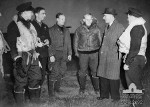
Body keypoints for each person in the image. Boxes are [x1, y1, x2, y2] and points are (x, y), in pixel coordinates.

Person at [7, 2, 43, 105]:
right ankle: (20, 104)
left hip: (33, 54)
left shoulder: (29, 24)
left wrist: (38, 44)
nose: (32, 15)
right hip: (21, 56)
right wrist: (17, 59)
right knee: (20, 81)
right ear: (24, 12)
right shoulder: (13, 25)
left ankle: (35, 103)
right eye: (31, 13)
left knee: (36, 78)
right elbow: (12, 44)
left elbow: (33, 39)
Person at [118, 7, 147, 107]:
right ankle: (136, 103)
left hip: (134, 59)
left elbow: (134, 48)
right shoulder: (140, 26)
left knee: (133, 84)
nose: (127, 19)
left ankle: (137, 104)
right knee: (137, 82)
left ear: (132, 16)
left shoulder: (136, 28)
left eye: (128, 16)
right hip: (138, 58)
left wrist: (127, 63)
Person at [97, 8, 124, 102]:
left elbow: (123, 43)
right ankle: (104, 95)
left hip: (113, 56)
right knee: (103, 75)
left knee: (113, 76)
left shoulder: (119, 27)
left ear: (111, 16)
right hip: (104, 55)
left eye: (105, 16)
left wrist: (120, 54)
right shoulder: (107, 26)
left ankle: (115, 97)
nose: (103, 18)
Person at [74, 13, 101, 95]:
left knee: (95, 71)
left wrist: (100, 53)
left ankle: (97, 89)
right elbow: (75, 41)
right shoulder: (79, 29)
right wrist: (76, 52)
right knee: (82, 71)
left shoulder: (97, 29)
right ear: (83, 20)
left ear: (92, 19)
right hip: (83, 54)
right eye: (87, 19)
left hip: (94, 53)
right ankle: (82, 89)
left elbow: (100, 41)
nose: (88, 21)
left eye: (90, 19)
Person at [48, 13, 72, 97]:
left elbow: (69, 43)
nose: (63, 20)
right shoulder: (51, 30)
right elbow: (49, 44)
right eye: (62, 19)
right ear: (57, 19)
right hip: (55, 53)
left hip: (64, 53)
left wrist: (69, 53)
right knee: (54, 72)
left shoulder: (66, 30)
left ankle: (57, 89)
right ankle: (51, 93)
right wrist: (51, 55)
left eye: (64, 19)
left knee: (61, 71)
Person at [32, 7, 51, 86]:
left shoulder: (45, 26)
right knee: (34, 73)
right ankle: (33, 91)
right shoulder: (31, 25)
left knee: (43, 73)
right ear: (36, 14)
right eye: (43, 13)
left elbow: (49, 37)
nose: (45, 15)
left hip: (44, 53)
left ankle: (39, 89)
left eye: (45, 13)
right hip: (34, 53)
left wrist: (48, 41)